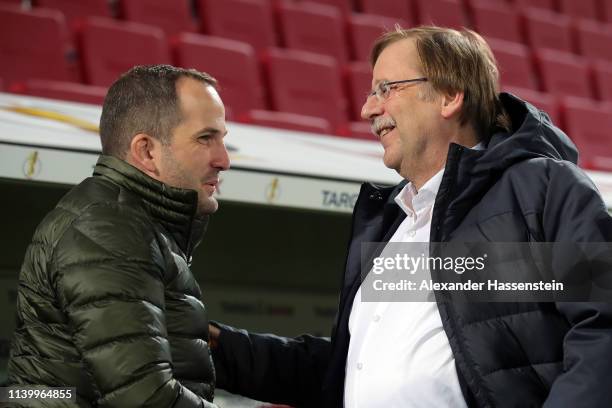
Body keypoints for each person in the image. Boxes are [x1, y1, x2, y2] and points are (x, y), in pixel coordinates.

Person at [209, 26, 612, 407]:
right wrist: (219, 349)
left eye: (387, 88)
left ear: (450, 96)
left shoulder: (541, 188)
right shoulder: (394, 221)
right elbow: (346, 371)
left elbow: (602, 325)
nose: (369, 108)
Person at [7, 64, 230, 407]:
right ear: (146, 151)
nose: (224, 159)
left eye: (222, 139)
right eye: (205, 138)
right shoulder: (108, 230)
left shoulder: (129, 222)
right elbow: (146, 398)